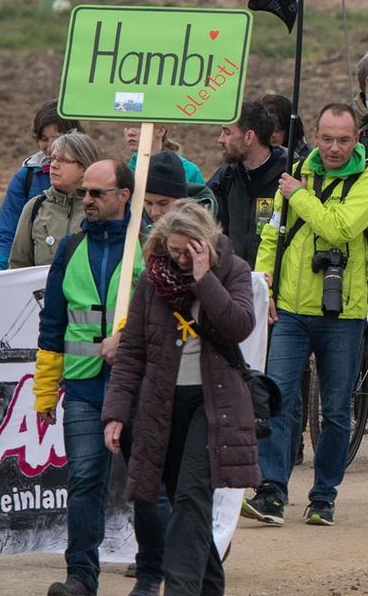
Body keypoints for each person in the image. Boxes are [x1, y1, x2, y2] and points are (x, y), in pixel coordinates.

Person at [103, 203, 258, 596]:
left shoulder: (232, 271)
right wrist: (117, 413)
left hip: (214, 406)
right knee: (181, 501)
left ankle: (179, 590)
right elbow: (132, 350)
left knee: (191, 496)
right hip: (161, 406)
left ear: (205, 243)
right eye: (173, 252)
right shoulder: (153, 280)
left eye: (188, 251)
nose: (180, 260)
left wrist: (205, 279)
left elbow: (238, 326)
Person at [34, 159, 167, 596]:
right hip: (84, 388)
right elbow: (52, 325)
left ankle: (150, 577)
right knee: (85, 481)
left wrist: (126, 341)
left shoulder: (150, 249)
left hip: (139, 389)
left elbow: (166, 322)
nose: (86, 200)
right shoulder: (70, 250)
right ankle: (80, 578)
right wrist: (44, 391)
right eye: (84, 193)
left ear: (124, 196)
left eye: (96, 193)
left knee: (147, 486)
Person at [247, 104, 368, 527]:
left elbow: (339, 227)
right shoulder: (295, 174)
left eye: (343, 140)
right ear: (317, 136)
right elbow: (272, 234)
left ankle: (324, 495)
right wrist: (263, 286)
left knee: (337, 409)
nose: (334, 148)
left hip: (342, 313)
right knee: (276, 399)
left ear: (356, 139)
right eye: (326, 138)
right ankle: (272, 490)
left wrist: (299, 195)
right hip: (289, 308)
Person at [0, 102, 82, 270]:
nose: (49, 146)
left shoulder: (97, 181)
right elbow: (7, 233)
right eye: (43, 139)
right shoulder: (26, 178)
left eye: (56, 137)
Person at [206, 100, 290, 266]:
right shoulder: (227, 176)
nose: (220, 139)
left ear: (249, 136)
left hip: (276, 284)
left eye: (227, 132)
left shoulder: (290, 174)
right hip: (238, 283)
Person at [2, 131, 101, 270]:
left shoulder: (101, 208)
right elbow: (19, 266)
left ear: (85, 168)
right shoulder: (34, 207)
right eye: (52, 159)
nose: (53, 165)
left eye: (63, 160)